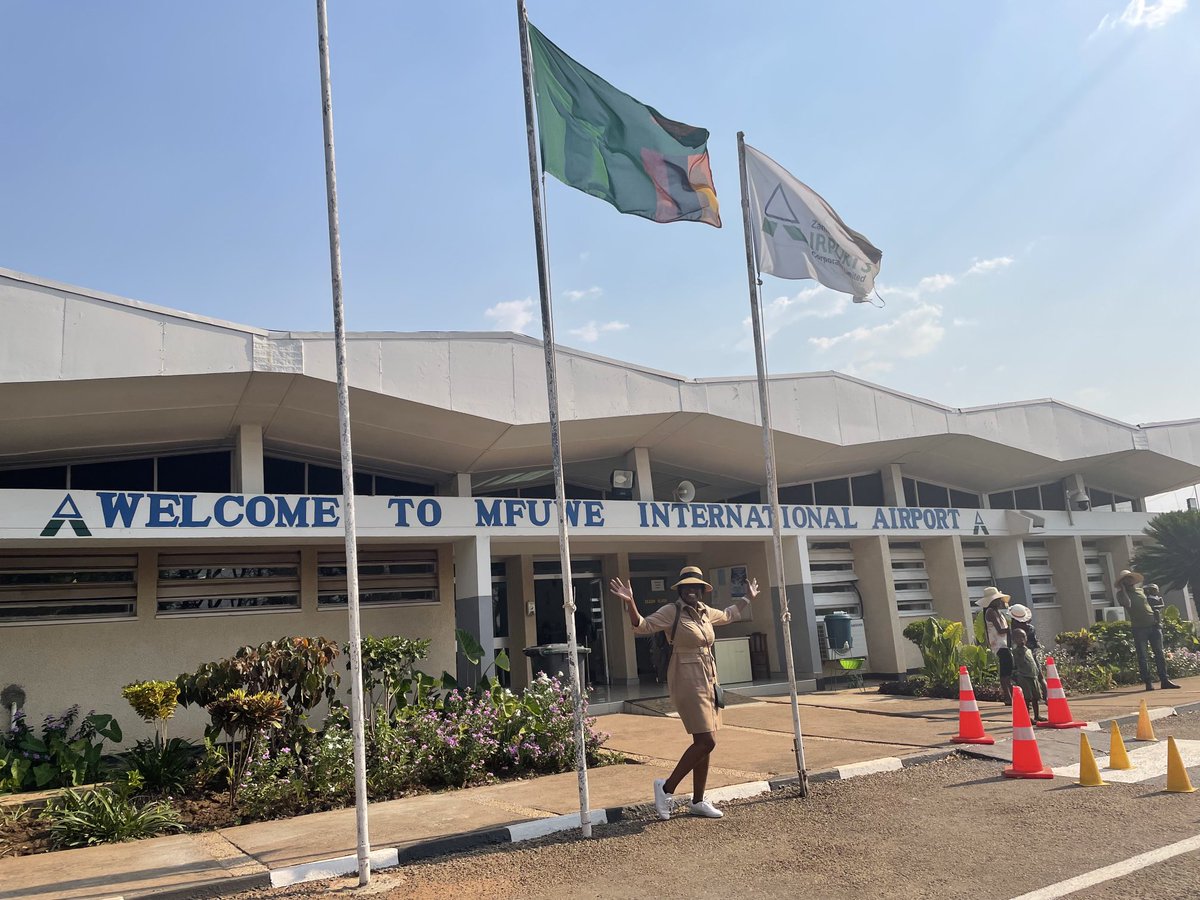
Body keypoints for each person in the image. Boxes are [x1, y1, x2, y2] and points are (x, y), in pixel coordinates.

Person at [609, 565, 758, 821]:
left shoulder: (704, 612)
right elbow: (642, 626)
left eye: (696, 587)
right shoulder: (672, 611)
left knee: (704, 743)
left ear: (701, 590)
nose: (692, 591)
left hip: (709, 677)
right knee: (707, 741)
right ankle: (666, 788)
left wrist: (747, 598)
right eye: (687, 586)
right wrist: (630, 601)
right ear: (680, 589)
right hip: (686, 677)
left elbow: (728, 614)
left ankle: (698, 801)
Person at [1115, 570, 1180, 691]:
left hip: (1153, 625)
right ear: (1122, 582)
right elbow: (1127, 604)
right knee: (1143, 656)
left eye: (1129, 578)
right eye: (1125, 579)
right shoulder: (1121, 594)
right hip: (1139, 628)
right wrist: (1123, 589)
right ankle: (1148, 682)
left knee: (1159, 654)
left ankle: (1164, 680)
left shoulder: (1141, 591)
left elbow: (1149, 604)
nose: (1128, 581)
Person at [980, 586, 1013, 705]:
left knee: (1008, 671)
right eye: (998, 600)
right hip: (999, 645)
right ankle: (1008, 697)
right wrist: (1010, 630)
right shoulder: (990, 612)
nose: (1000, 601)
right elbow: (1000, 630)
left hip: (1003, 644)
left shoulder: (997, 612)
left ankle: (1011, 696)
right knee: (1005, 673)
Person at [1008, 604, 1047, 700]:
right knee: (1040, 676)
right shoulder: (1030, 628)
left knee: (1025, 678)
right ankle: (1046, 696)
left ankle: (1029, 699)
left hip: (1023, 656)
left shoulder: (1014, 630)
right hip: (1032, 653)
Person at [1011, 627, 1043, 723]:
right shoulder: (1016, 652)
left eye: (1023, 637)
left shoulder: (1029, 650)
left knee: (1035, 697)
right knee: (1027, 698)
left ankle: (1037, 715)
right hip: (1023, 676)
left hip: (1033, 676)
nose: (1021, 639)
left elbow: (1034, 663)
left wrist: (1039, 674)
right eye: (1018, 638)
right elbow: (1016, 664)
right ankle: (1027, 717)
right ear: (1014, 640)